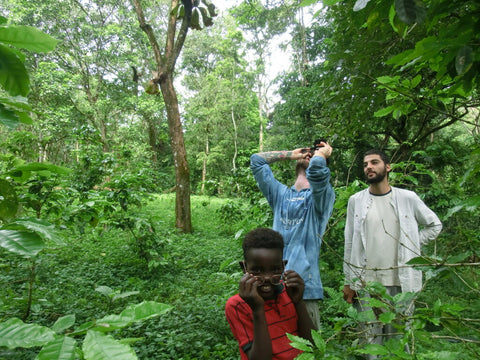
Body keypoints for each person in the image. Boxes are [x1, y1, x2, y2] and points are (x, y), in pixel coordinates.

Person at [343, 149, 442, 357]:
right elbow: (350, 241)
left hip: (401, 283)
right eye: (365, 164)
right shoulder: (356, 201)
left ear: (387, 167)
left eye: (374, 162)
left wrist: (412, 244)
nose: (369, 167)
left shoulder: (408, 198)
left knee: (399, 344)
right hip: (366, 285)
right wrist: (348, 281)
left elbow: (434, 226)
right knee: (369, 344)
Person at [250, 141, 335, 328]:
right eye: (308, 153)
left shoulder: (320, 197)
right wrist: (289, 154)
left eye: (314, 155)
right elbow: (256, 161)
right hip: (273, 288)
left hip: (304, 290)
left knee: (308, 352)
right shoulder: (280, 195)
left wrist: (321, 155)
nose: (310, 155)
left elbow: (317, 173)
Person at [225, 227, 315, 360]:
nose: (267, 277)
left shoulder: (289, 293)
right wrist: (257, 309)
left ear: (283, 266)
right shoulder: (237, 305)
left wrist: (298, 302)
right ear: (244, 268)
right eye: (257, 270)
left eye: (275, 269)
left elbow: (312, 344)